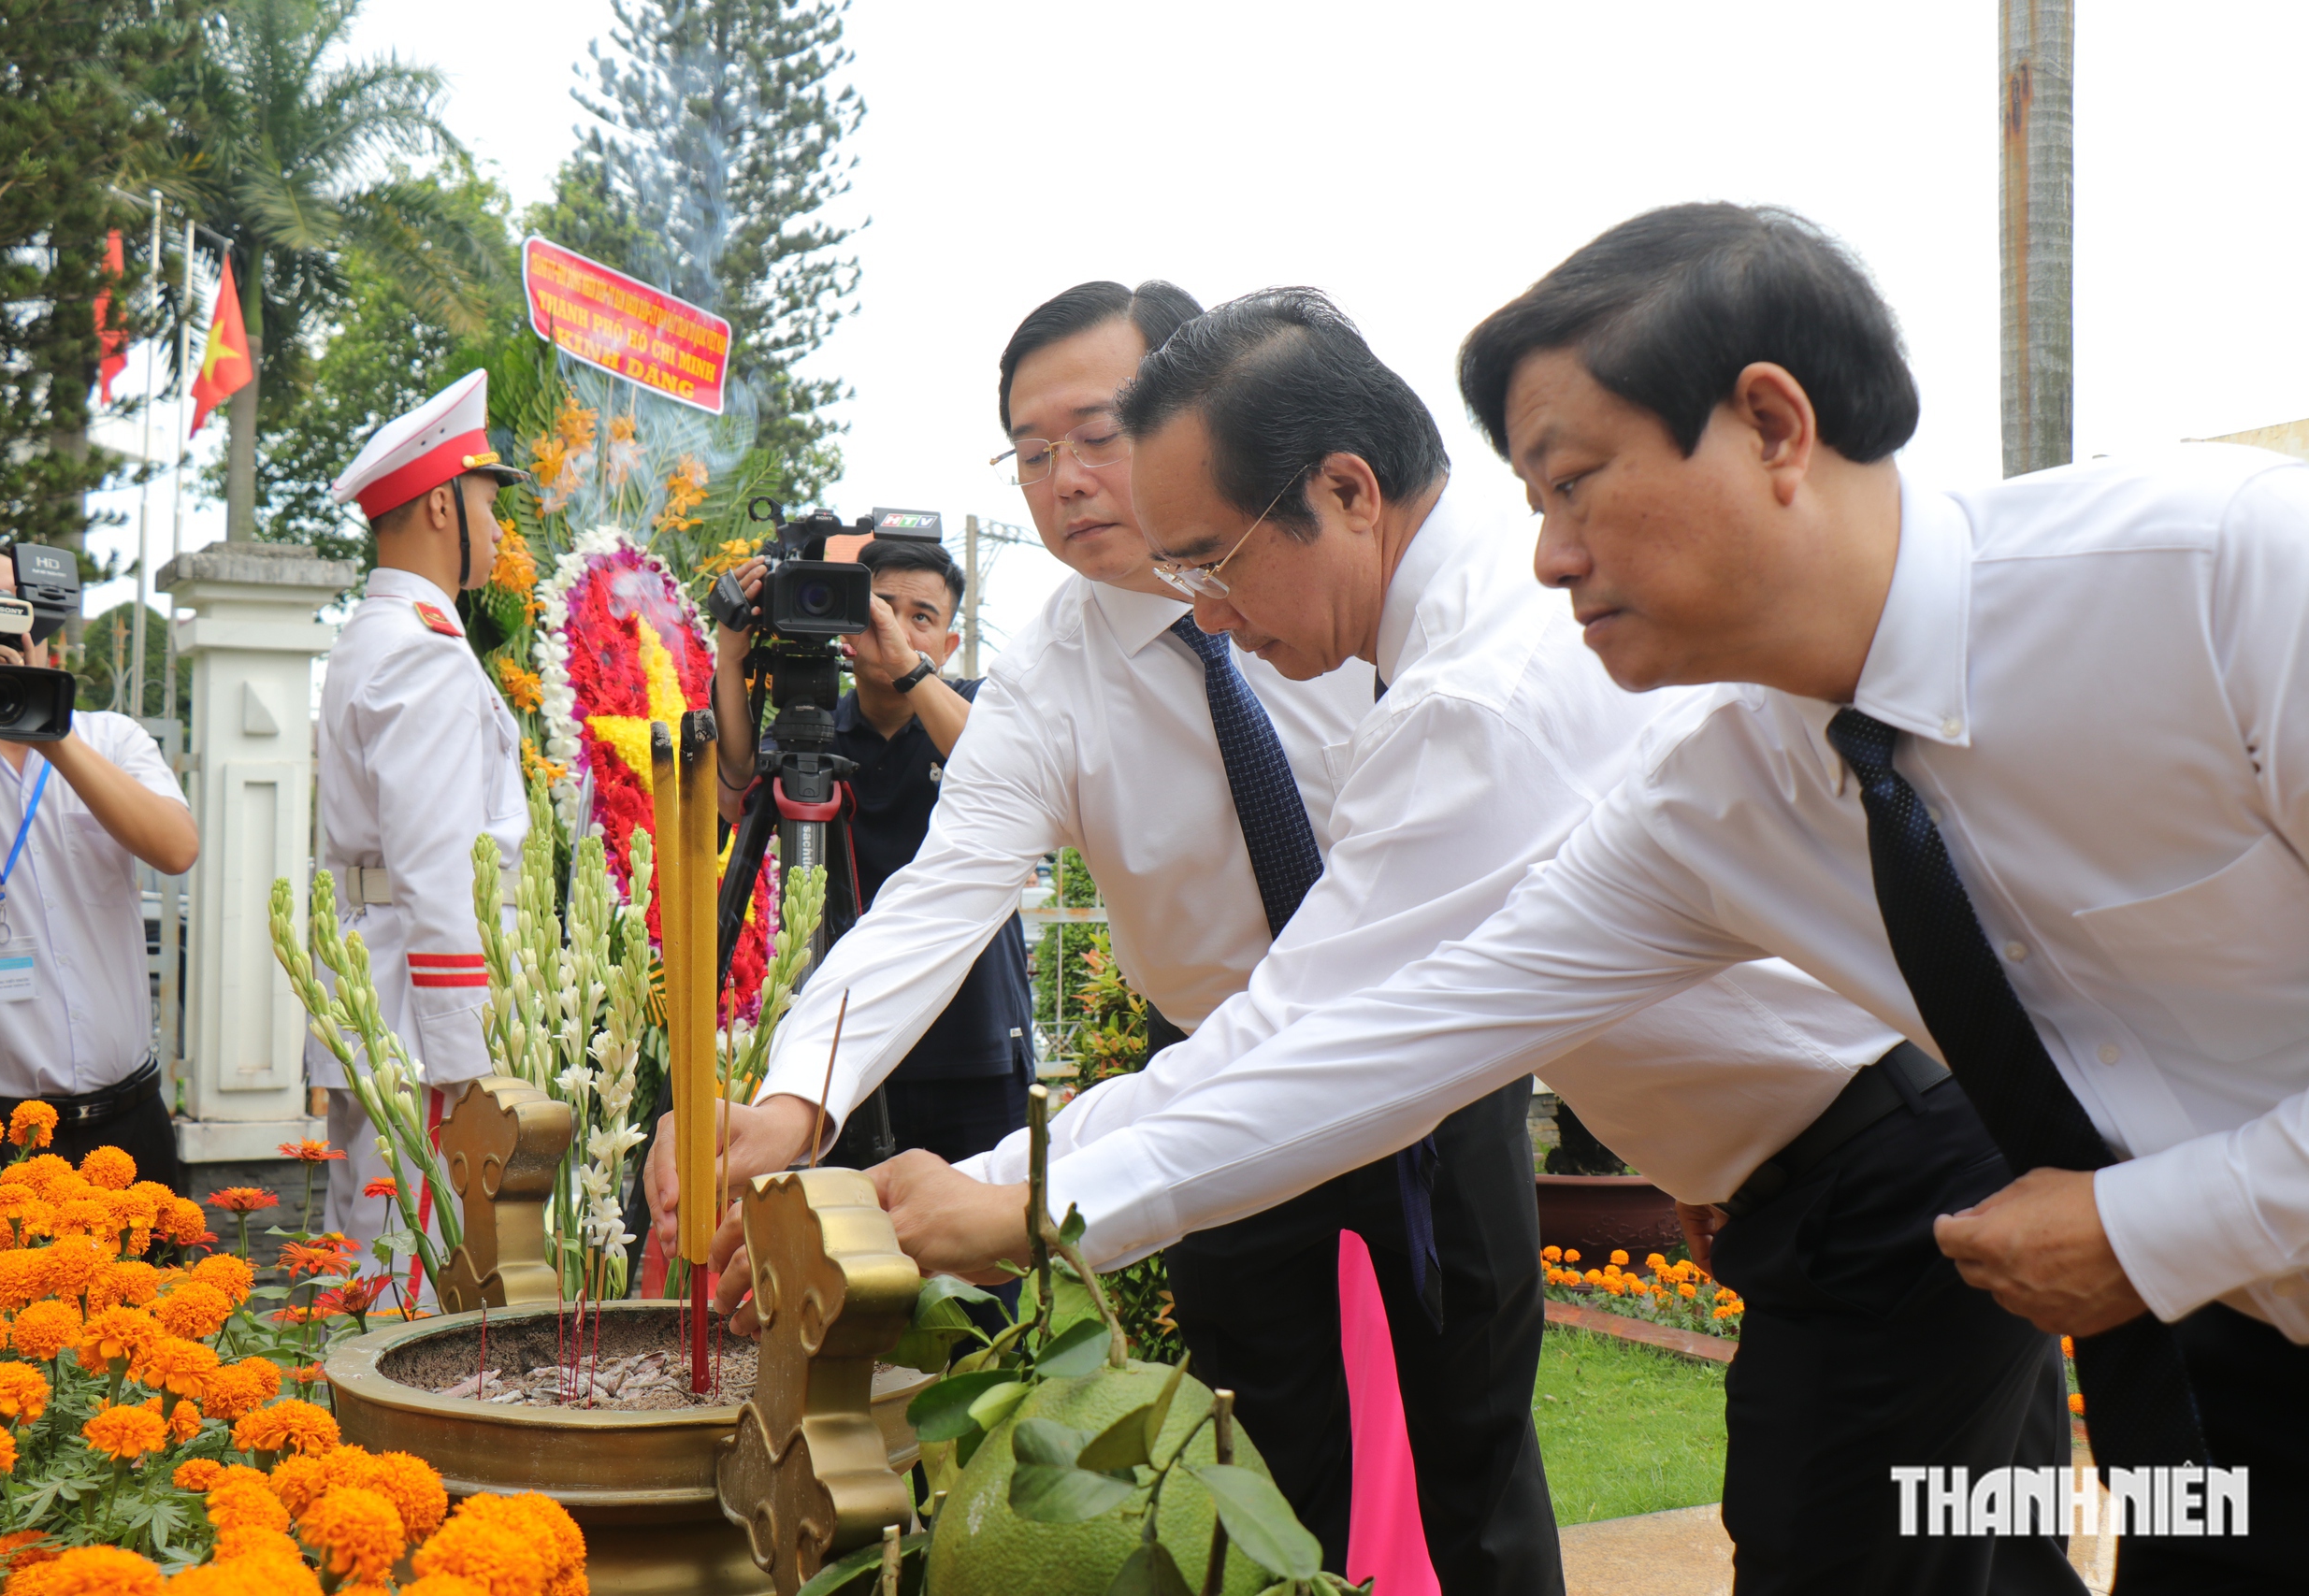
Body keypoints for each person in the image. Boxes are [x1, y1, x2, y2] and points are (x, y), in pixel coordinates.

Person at [872, 207, 2303, 1591]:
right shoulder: (1721, 781)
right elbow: (1379, 1031)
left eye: (1576, 483)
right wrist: (1030, 1191)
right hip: (2103, 1273)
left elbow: (1335, 1031)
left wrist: (2153, 1221)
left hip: (2004, 1217)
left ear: (1772, 424)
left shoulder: (2223, 577)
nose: (1551, 550)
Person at [642, 280, 1551, 1583]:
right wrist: (797, 1101)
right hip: (1207, 1085)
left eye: (1098, 430)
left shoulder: (1353, 594)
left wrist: (1030, 1187)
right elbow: (943, 897)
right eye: (1028, 451)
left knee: (1476, 1451)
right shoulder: (1055, 671)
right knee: (1268, 1468)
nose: (1065, 479)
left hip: (1436, 1055)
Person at [704, 536, 1034, 1169]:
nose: (899, 628)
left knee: (981, 1259)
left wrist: (910, 671)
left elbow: (1003, 771)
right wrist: (730, 654)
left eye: (922, 617)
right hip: (843, 1049)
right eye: (880, 607)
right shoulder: (814, 726)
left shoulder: (973, 707)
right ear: (848, 624)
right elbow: (734, 791)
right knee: (842, 1258)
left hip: (974, 1045)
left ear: (949, 645)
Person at [314, 369, 529, 1286]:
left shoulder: (376, 636)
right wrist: (469, 1067)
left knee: (372, 1262)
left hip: (383, 995)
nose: (497, 529)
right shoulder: (423, 655)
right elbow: (443, 873)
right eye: (488, 503)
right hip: (423, 1020)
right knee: (417, 1282)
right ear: (442, 504)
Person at [0, 544, 197, 1184]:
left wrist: (51, 727)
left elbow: (176, 848)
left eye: (13, 612)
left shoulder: (109, 738)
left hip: (127, 1125)